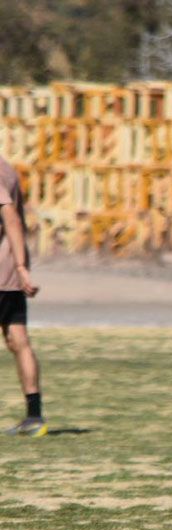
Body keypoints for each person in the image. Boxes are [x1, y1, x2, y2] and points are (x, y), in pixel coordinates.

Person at [0, 155, 46, 437]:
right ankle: (34, 416)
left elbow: (11, 218)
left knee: (18, 340)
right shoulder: (6, 167)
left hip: (5, 269)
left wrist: (21, 267)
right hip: (9, 274)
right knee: (18, 339)